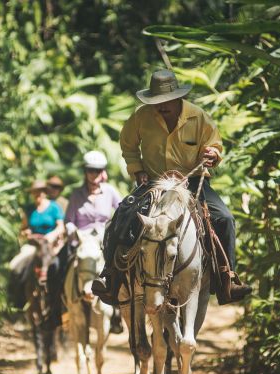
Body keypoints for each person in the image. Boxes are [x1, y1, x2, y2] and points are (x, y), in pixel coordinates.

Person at [119, 69, 252, 302]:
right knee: (123, 214)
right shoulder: (141, 116)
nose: (161, 107)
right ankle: (112, 278)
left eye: (165, 101)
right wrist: (137, 170)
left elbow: (214, 146)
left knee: (225, 218)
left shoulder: (198, 116)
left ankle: (227, 278)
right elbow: (128, 145)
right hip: (154, 182)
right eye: (156, 102)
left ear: (177, 97)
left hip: (191, 181)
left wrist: (212, 154)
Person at [48, 150, 123, 332]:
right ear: (85, 172)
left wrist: (115, 228)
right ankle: (55, 312)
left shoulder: (110, 192)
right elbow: (68, 221)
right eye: (90, 170)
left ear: (103, 171)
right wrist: (73, 231)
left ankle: (118, 313)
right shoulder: (76, 195)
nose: (94, 174)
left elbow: (122, 211)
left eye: (97, 170)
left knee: (124, 267)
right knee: (55, 267)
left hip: (104, 243)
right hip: (80, 242)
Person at [9, 180, 65, 282]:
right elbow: (23, 228)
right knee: (14, 266)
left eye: (40, 191)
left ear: (45, 192)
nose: (37, 194)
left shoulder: (54, 207)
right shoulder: (29, 209)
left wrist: (51, 235)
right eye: (35, 192)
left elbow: (61, 227)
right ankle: (16, 296)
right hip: (33, 246)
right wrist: (26, 232)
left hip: (51, 246)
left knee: (59, 267)